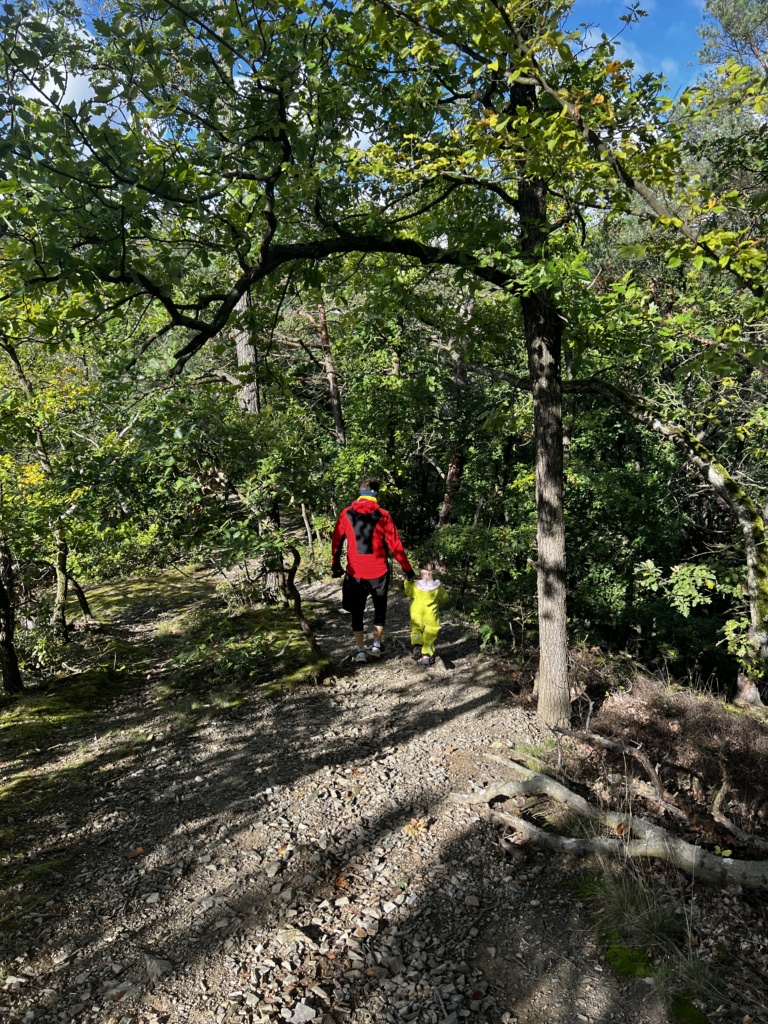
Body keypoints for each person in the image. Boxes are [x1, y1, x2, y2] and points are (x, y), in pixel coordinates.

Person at [331, 476, 415, 663]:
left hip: (355, 573)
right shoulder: (383, 515)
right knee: (380, 608)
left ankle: (360, 650)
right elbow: (396, 546)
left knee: (357, 611)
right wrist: (408, 570)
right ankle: (376, 647)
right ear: (376, 494)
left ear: (360, 492)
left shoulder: (346, 513)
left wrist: (335, 564)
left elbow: (336, 542)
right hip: (379, 571)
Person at [404, 559, 449, 666]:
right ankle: (426, 656)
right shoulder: (438, 587)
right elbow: (445, 598)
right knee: (430, 636)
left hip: (417, 615)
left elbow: (408, 593)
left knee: (416, 630)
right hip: (431, 617)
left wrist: (407, 582)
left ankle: (416, 646)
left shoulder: (416, 586)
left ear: (421, 573)